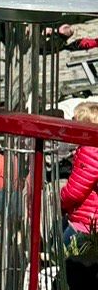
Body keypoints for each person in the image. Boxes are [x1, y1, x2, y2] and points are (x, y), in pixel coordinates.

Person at [60, 101, 98, 237]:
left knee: (60, 248)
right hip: (89, 219)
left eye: (75, 121)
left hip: (86, 223)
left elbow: (74, 193)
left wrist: (60, 199)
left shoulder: (90, 150)